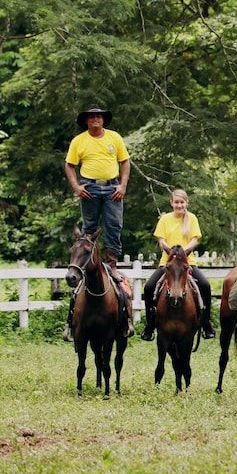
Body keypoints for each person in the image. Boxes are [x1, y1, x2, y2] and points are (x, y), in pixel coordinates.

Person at [63, 105, 134, 340]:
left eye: (99, 116)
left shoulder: (114, 138)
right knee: (89, 230)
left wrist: (123, 185)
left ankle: (111, 264)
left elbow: (125, 162)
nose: (95, 119)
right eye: (91, 117)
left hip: (112, 184)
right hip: (90, 185)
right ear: (86, 121)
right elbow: (69, 165)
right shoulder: (79, 141)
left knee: (114, 225)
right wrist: (76, 187)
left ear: (103, 120)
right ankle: (86, 267)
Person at [140, 189, 216, 341]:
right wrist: (169, 250)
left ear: (186, 203)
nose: (179, 205)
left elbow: (195, 240)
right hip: (167, 264)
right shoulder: (165, 219)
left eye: (182, 202)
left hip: (187, 263)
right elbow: (161, 239)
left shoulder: (192, 219)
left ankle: (206, 323)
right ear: (171, 203)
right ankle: (150, 324)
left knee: (205, 285)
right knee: (149, 287)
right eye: (176, 202)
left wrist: (183, 252)